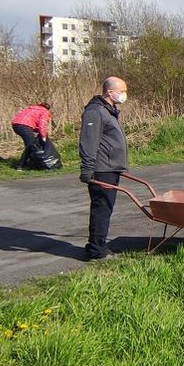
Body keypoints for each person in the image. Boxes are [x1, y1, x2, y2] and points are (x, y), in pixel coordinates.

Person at [79, 77, 129, 261]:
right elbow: (88, 141)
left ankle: (97, 244)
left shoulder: (109, 111)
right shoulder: (95, 112)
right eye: (122, 91)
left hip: (111, 167)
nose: (125, 95)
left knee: (105, 207)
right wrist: (87, 168)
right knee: (102, 208)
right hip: (101, 169)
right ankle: (96, 251)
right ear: (110, 92)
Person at [11, 102, 52, 170]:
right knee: (31, 145)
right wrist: (43, 136)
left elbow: (29, 122)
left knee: (30, 145)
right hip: (25, 126)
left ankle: (30, 163)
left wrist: (38, 131)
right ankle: (21, 166)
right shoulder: (45, 111)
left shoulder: (30, 109)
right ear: (47, 109)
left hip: (16, 125)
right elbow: (42, 125)